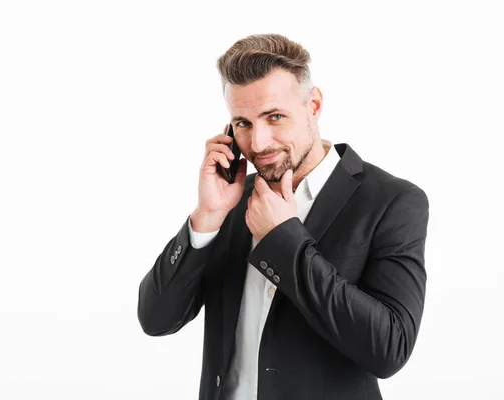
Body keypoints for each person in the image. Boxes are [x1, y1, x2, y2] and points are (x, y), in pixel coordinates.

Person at [137, 33, 430, 400]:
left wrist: (284, 241)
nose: (258, 143)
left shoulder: (393, 201)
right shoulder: (231, 201)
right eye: (242, 123)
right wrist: (207, 217)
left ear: (314, 105)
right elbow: (155, 319)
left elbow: (390, 348)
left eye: (274, 116)